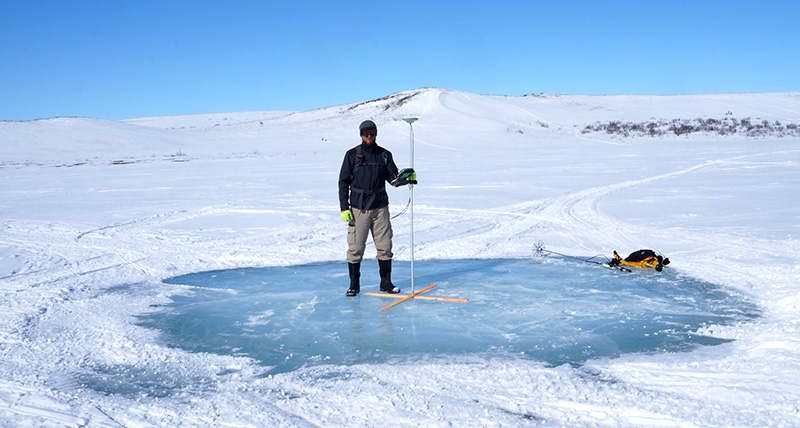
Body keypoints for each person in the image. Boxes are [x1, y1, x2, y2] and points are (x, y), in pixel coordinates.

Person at [338, 120, 417, 296]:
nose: (369, 136)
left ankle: (386, 283)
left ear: (376, 133)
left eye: (372, 132)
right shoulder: (352, 155)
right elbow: (343, 183)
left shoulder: (385, 155)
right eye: (365, 133)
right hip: (359, 209)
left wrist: (406, 179)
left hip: (380, 208)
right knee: (356, 248)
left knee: (385, 245)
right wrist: (344, 208)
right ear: (360, 134)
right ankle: (354, 285)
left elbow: (393, 179)